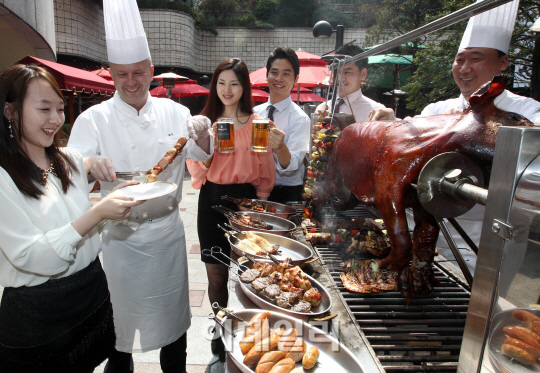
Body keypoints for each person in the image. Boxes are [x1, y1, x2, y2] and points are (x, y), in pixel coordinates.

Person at [67, 1, 213, 372]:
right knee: (119, 331)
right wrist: (87, 164)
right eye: (121, 75)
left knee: (174, 329)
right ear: (111, 75)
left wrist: (204, 132)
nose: (131, 82)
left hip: (165, 236)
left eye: (138, 73)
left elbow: (206, 156)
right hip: (119, 242)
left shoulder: (176, 113)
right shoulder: (92, 118)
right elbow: (69, 175)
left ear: (151, 71)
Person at [0, 64, 145, 373]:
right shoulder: (3, 178)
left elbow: (83, 228)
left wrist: (115, 206)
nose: (55, 120)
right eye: (43, 109)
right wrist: (97, 213)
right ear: (9, 111)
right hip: (39, 311)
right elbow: (31, 256)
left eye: (59, 108)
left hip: (91, 291)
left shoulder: (69, 161)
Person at [186, 58, 276, 358]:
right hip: (212, 201)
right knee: (216, 275)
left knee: (254, 271)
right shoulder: (208, 125)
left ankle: (256, 334)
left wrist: (260, 202)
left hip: (246, 203)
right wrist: (207, 148)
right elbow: (197, 170)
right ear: (214, 87)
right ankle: (219, 328)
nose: (227, 89)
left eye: (234, 83)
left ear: (244, 88)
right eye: (221, 83)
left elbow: (265, 167)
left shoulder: (259, 124)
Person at [253, 47, 310, 204]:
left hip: (286, 194)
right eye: (274, 72)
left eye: (286, 73)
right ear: (267, 75)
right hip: (254, 189)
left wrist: (280, 148)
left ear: (296, 79)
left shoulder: (300, 119)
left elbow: (293, 166)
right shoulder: (254, 113)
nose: (279, 78)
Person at [316, 44, 386, 123]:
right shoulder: (322, 109)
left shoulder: (376, 112)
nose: (340, 78)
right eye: (336, 72)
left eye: (347, 72)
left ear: (363, 74)